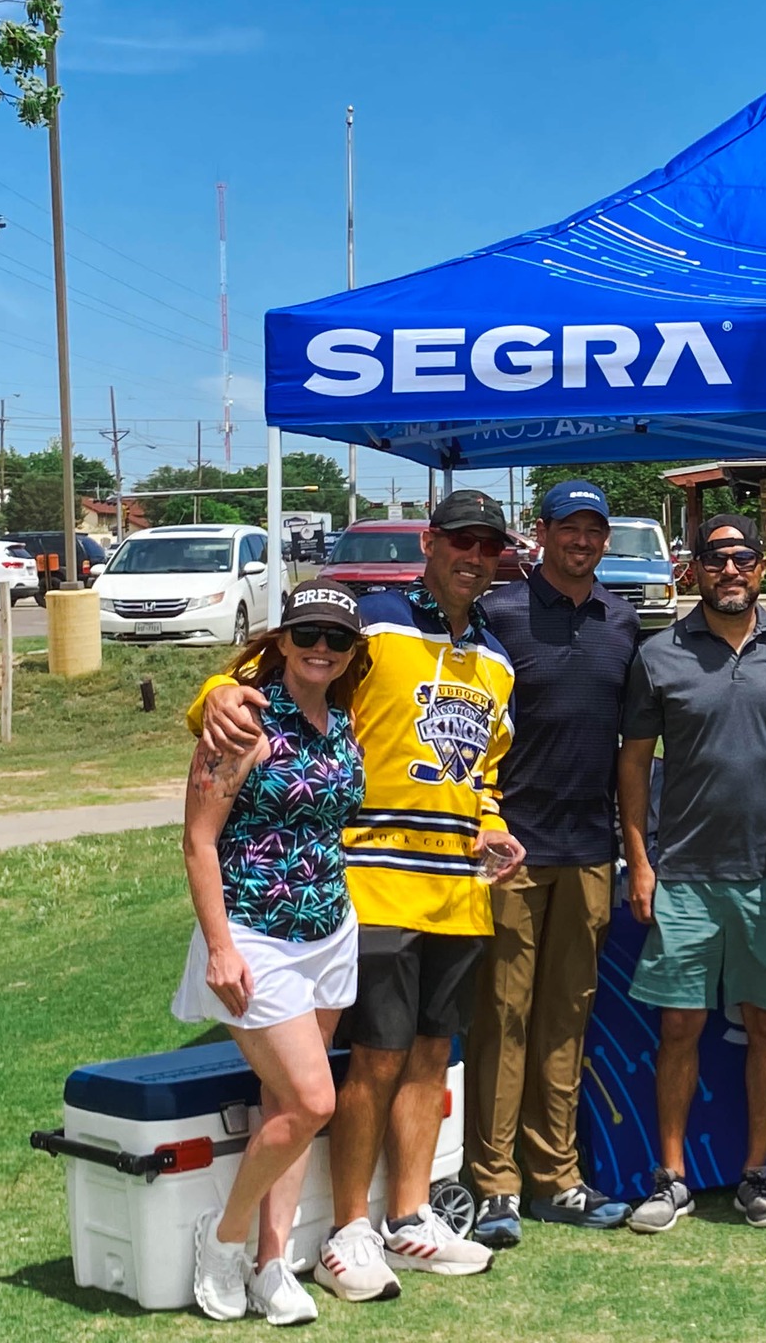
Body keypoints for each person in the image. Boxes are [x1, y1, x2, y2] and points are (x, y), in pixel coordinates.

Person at [192, 491, 524, 1303]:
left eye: (489, 546)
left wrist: (491, 824)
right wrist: (215, 699)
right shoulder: (367, 620)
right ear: (432, 544)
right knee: (369, 1060)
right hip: (369, 883)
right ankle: (347, 1231)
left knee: (427, 1054)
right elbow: (243, 685)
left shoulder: (496, 656)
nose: (474, 558)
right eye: (461, 542)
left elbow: (478, 770)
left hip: (457, 890)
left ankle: (408, 1217)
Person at [617, 514, 766, 1234]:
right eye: (715, 559)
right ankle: (670, 1177)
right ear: (691, 571)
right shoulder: (659, 654)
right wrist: (640, 860)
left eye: (743, 559)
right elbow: (634, 764)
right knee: (679, 1029)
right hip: (684, 873)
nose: (730, 570)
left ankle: (756, 1176)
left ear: (763, 569)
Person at [177, 583, 369, 1324]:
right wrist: (220, 950)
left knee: (286, 1104)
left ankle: (271, 1263)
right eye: (308, 634)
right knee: (315, 1102)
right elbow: (197, 840)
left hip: (329, 931)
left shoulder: (342, 722)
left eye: (338, 638)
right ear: (282, 640)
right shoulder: (244, 722)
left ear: (353, 653)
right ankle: (221, 1240)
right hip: (255, 936)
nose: (322, 648)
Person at [467, 480, 640, 1242]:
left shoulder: (621, 621)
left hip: (589, 848)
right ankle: (494, 1182)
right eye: (568, 528)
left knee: (568, 1015)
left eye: (593, 530)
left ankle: (556, 1177)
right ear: (542, 534)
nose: (581, 541)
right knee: (503, 1013)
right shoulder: (497, 614)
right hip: (512, 849)